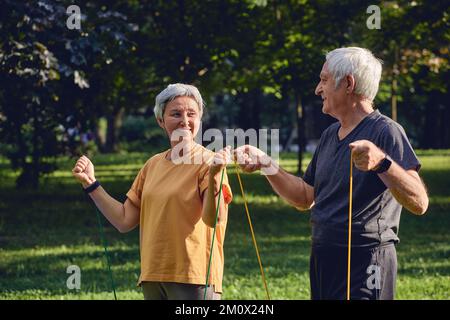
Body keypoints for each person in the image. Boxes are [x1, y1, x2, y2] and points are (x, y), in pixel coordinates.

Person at [234, 47, 429, 300]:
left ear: (348, 83)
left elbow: (420, 203)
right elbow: (305, 196)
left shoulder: (386, 132)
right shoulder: (329, 135)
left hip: (366, 259)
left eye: (324, 80)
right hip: (323, 256)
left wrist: (382, 162)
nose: (318, 89)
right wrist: (266, 164)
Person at [72, 83, 233, 300]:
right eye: (176, 114)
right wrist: (91, 184)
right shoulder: (152, 165)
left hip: (193, 277)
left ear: (199, 120)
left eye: (191, 114)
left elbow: (214, 220)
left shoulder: (208, 163)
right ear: (161, 120)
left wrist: (215, 176)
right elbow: (124, 220)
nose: (184, 121)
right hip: (153, 275)